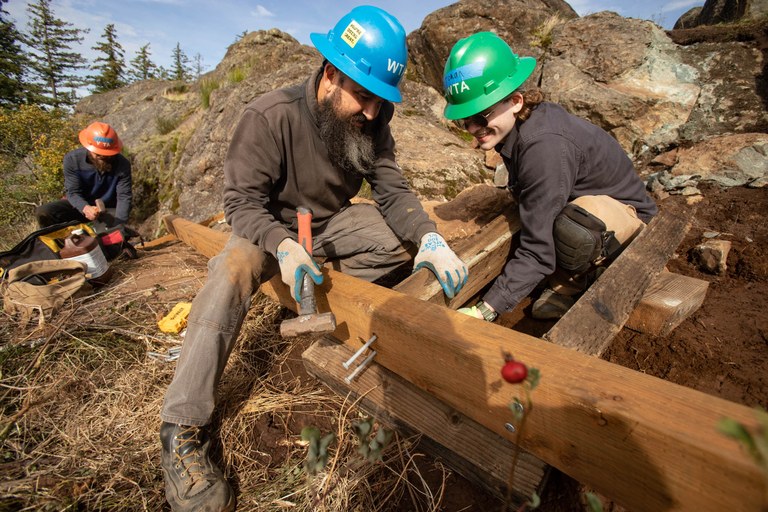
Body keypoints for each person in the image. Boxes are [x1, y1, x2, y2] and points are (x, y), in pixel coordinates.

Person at [158, 6, 468, 511]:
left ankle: (313, 284)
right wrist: (281, 245)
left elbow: (390, 188)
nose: (372, 112)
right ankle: (182, 429)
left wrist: (430, 238)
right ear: (330, 75)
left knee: (399, 241)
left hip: (329, 226)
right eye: (363, 96)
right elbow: (240, 203)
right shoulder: (270, 116)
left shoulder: (373, 120)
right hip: (269, 231)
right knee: (232, 270)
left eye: (380, 100)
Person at [444, 32, 658, 322]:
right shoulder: (521, 123)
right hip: (587, 203)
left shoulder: (544, 146)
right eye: (465, 120)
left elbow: (537, 249)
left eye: (481, 117)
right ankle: (572, 268)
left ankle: (579, 279)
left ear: (515, 101)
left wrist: (486, 309)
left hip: (629, 221)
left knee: (573, 229)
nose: (472, 128)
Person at [35, 121, 132, 229]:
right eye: (98, 154)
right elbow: (73, 192)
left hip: (108, 209)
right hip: (78, 206)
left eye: (107, 154)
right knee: (45, 212)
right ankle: (59, 238)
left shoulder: (123, 164)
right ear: (89, 148)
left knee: (110, 234)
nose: (103, 157)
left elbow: (124, 197)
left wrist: (119, 224)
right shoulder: (73, 160)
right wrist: (85, 208)